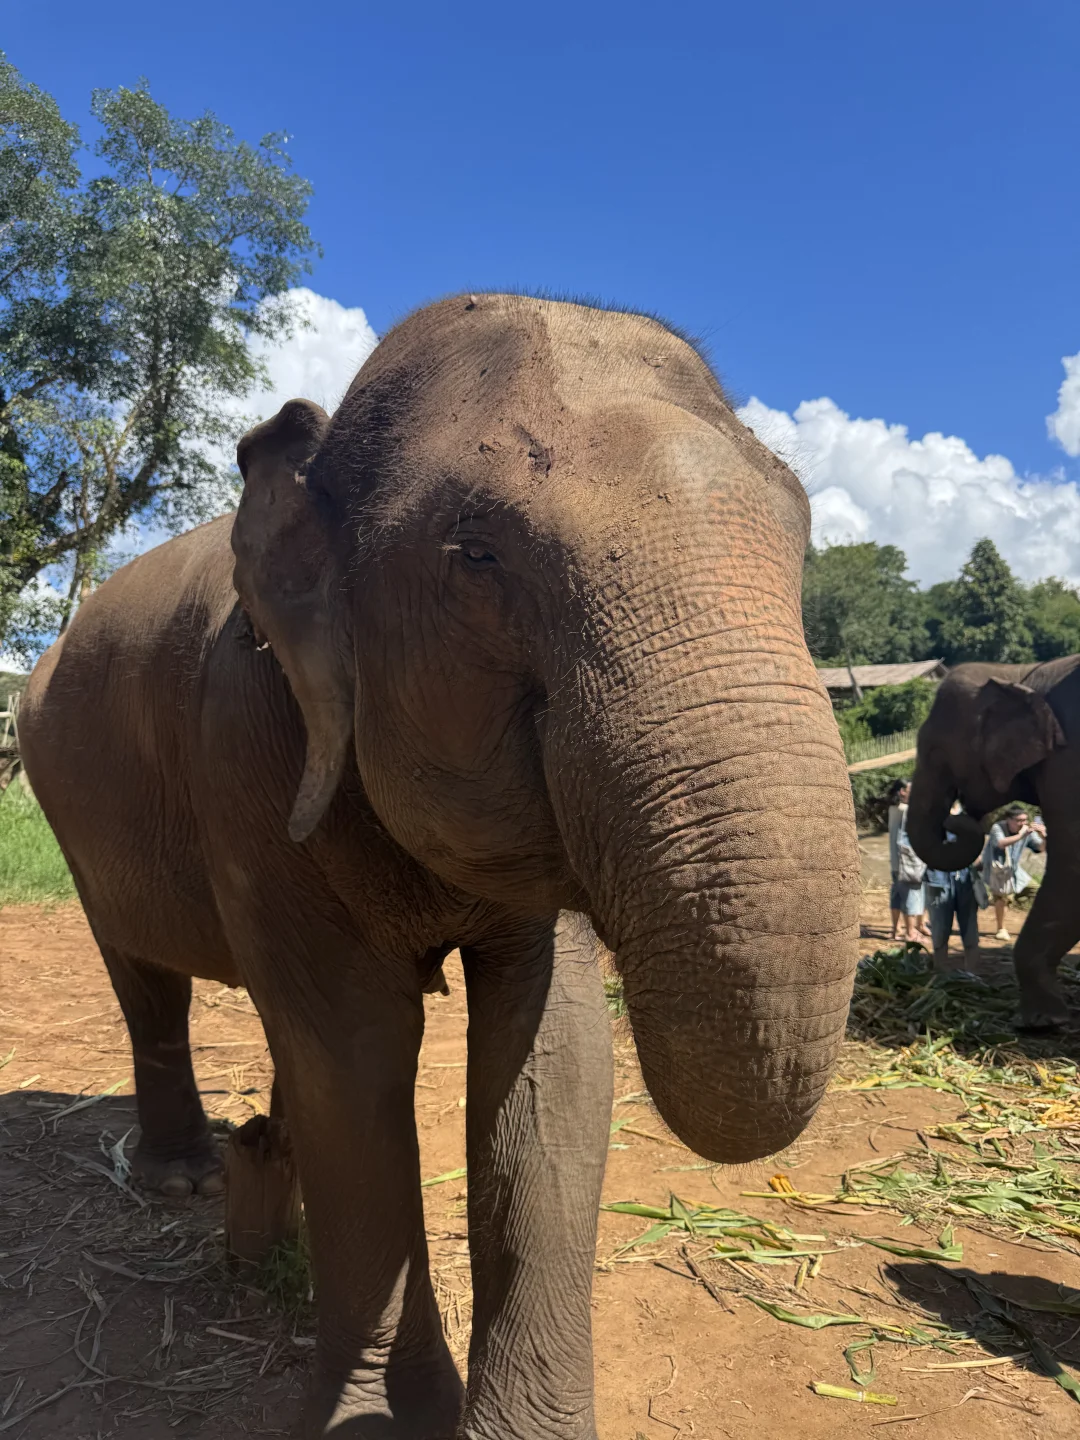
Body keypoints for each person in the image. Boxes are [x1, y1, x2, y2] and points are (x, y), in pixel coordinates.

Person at [925, 801, 983, 971]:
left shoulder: (969, 820)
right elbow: (922, 848)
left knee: (970, 930)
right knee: (940, 930)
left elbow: (978, 856)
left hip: (966, 879)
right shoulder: (929, 820)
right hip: (938, 877)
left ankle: (971, 975)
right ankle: (941, 975)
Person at [983, 803, 1046, 941]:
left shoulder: (1026, 830)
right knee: (1002, 897)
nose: (1022, 823)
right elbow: (1001, 843)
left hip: (1014, 870)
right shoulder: (998, 827)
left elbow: (1040, 849)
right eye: (1018, 820)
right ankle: (1001, 928)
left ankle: (1031, 922)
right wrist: (1022, 835)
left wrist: (1043, 836)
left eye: (1024, 820)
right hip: (997, 869)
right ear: (1008, 820)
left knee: (1036, 890)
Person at [887, 778, 927, 943]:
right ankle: (910, 933)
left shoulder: (893, 808)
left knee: (897, 895)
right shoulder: (908, 810)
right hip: (907, 863)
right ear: (902, 792)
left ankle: (895, 930)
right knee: (911, 896)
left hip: (896, 861)